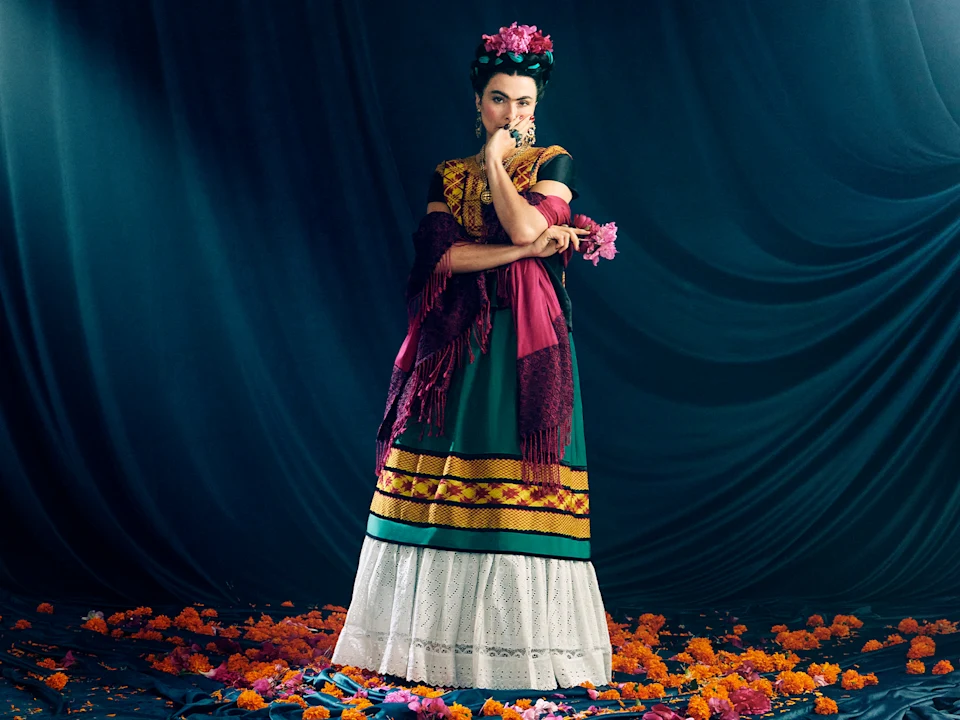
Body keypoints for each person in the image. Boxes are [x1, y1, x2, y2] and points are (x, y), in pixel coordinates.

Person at [331, 22, 613, 691]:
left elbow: (524, 220)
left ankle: (519, 654)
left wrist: (495, 163)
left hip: (526, 344)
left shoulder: (553, 162)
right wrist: (525, 251)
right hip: (456, 345)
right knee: (442, 483)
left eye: (522, 101)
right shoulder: (445, 175)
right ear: (477, 101)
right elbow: (442, 261)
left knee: (515, 481)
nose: (511, 112)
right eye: (498, 99)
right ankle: (432, 650)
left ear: (537, 106)